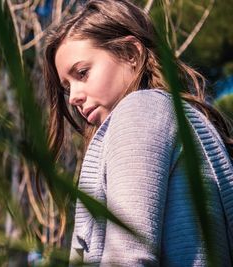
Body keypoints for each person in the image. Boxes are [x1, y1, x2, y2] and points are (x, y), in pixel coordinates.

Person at [42, 0, 233, 265]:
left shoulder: (140, 110)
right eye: (66, 87)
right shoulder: (180, 121)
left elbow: (127, 256)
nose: (73, 97)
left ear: (131, 52)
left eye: (83, 73)